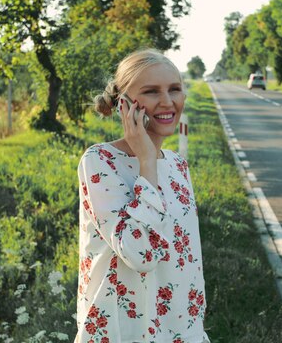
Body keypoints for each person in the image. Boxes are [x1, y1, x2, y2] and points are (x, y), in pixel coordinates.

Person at [75, 49, 209, 343]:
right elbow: (141, 253)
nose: (167, 101)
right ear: (124, 103)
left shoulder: (177, 165)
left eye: (175, 89)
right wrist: (146, 160)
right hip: (125, 332)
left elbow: (188, 266)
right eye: (151, 91)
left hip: (179, 333)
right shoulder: (100, 161)